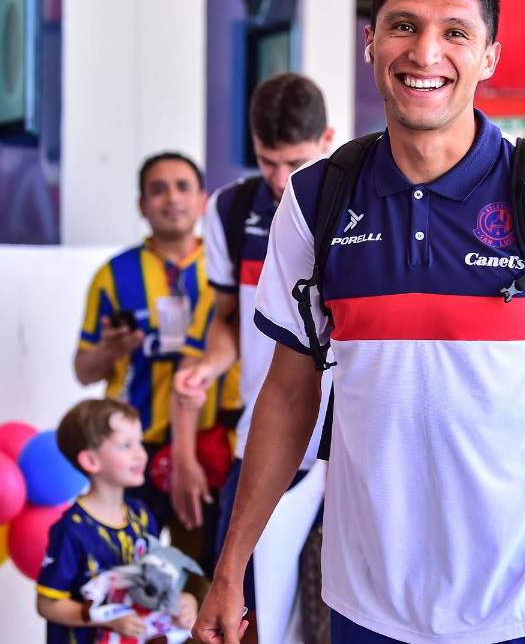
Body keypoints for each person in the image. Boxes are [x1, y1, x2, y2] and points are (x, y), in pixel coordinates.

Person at [195, 0, 525, 641]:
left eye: (455, 32)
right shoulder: (313, 200)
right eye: (404, 26)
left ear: (490, 57)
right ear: (370, 42)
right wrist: (230, 568)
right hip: (367, 602)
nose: (425, 53)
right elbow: (286, 393)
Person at [173, 72, 333, 644]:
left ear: (327, 140)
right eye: (268, 162)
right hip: (266, 433)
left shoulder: (356, 199)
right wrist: (208, 366)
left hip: (348, 443)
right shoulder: (230, 208)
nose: (281, 179)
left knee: (339, 614)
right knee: (242, 609)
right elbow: (228, 322)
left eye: (295, 162)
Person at [74, 151, 237, 568]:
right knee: (124, 569)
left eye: (183, 187)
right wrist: (111, 350)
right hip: (131, 446)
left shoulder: (226, 269)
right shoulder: (114, 275)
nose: (172, 199)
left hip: (208, 446)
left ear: (202, 200)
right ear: (142, 205)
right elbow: (83, 371)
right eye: (158, 190)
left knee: (200, 570)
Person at [37, 398, 192, 644]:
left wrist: (182, 601)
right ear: (91, 461)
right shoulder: (72, 530)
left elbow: (154, 578)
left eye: (139, 442)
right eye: (126, 445)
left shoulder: (141, 515)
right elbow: (48, 605)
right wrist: (106, 617)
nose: (141, 454)